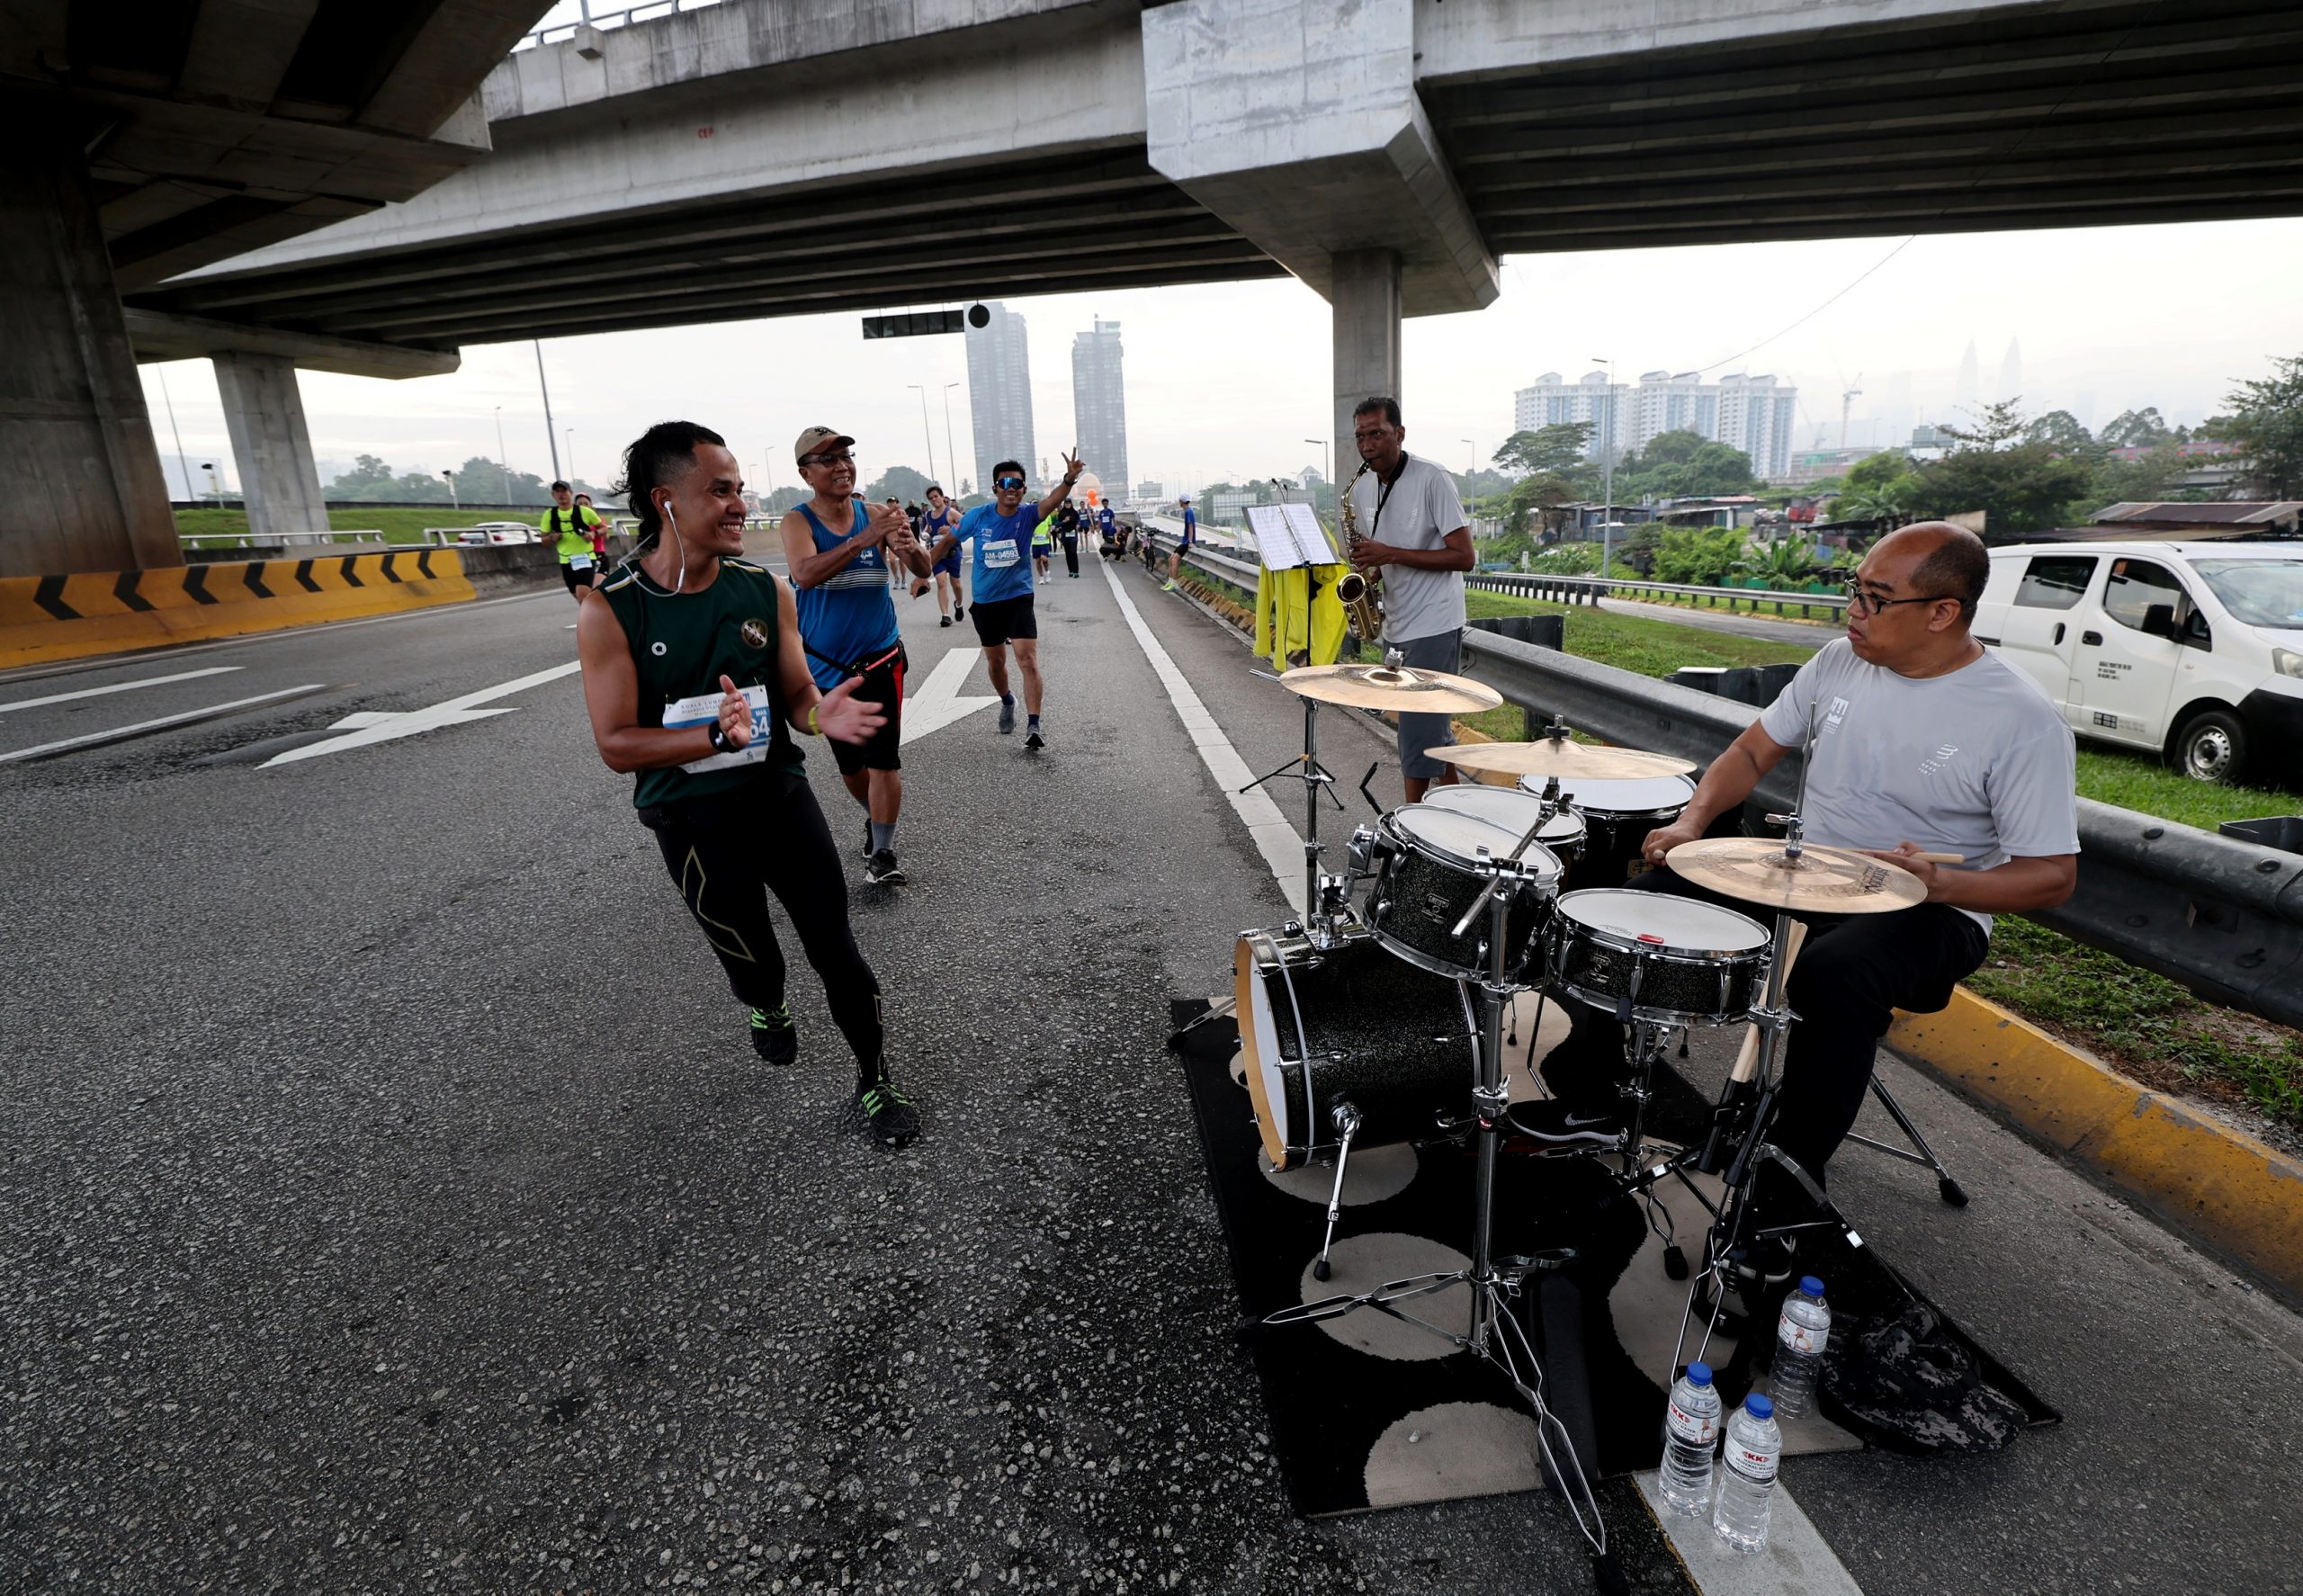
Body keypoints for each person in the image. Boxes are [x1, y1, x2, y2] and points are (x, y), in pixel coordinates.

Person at [1525, 523, 2078, 1259]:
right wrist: (1694, 821)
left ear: (1943, 612)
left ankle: (1789, 1183)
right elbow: (1754, 749)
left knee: (1835, 973)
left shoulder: (2019, 719)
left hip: (1932, 905)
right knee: (1635, 906)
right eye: (1856, 588)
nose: (1852, 609)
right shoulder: (1839, 663)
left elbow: (2052, 877)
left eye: (1875, 598)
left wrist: (1946, 879)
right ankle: (1594, 1098)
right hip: (1805, 869)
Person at [576, 421, 921, 1149]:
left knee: (837, 951)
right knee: (755, 961)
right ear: (666, 501)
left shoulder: (761, 591)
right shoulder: (612, 608)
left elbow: (796, 695)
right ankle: (765, 1003)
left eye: (740, 489)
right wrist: (710, 736)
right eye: (721, 491)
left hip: (778, 803)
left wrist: (819, 714)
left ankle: (875, 1078)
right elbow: (616, 744)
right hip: (692, 825)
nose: (739, 505)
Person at [780, 426, 930, 887]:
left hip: (881, 659)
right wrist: (868, 538)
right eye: (827, 460)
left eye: (845, 455)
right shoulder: (798, 522)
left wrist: (908, 546)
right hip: (825, 667)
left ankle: (883, 852)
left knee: (886, 761)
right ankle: (874, 818)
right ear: (806, 473)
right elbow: (804, 575)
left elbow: (924, 568)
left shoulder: (878, 514)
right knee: (851, 766)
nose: (841, 465)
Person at [1344, 397, 1474, 803]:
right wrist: (1372, 570)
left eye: (1377, 434)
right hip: (1397, 622)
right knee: (1431, 726)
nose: (1368, 444)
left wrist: (1390, 555)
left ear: (1399, 434)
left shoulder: (1432, 478)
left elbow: (1464, 557)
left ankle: (1411, 822)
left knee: (1417, 730)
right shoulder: (1362, 488)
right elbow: (1381, 553)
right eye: (1361, 436)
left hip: (1435, 621)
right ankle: (1457, 808)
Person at [928, 449, 1084, 753]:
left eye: (1017, 484)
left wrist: (1069, 479)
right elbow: (948, 541)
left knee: (1027, 659)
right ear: (995, 488)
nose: (1011, 488)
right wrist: (924, 574)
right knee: (996, 661)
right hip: (986, 602)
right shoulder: (978, 516)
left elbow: (1053, 500)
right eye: (1005, 483)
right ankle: (1006, 700)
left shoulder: (1028, 515)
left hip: (1018, 597)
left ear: (1024, 490)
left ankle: (1034, 724)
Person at [541, 480, 610, 600]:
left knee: (582, 594)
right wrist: (552, 537)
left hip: (586, 557)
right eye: (557, 492)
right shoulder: (549, 515)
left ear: (570, 493)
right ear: (553, 495)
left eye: (564, 491)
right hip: (566, 560)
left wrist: (594, 533)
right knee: (579, 597)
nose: (561, 494)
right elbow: (544, 540)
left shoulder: (585, 512)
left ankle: (589, 619)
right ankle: (595, 615)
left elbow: (604, 529)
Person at [912, 484, 964, 624]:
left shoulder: (951, 513)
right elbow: (926, 530)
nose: (934, 500)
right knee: (941, 583)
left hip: (953, 553)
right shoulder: (928, 515)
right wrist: (925, 534)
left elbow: (966, 525)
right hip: (937, 555)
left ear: (942, 497)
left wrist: (951, 528)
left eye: (936, 496)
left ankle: (958, 604)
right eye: (931, 498)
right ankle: (945, 616)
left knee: (957, 585)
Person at [1162, 496, 1196, 590]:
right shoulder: (1187, 511)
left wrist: (1190, 541)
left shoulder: (1189, 511)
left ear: (1182, 501)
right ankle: (1170, 581)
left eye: (1179, 501)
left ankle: (1174, 584)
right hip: (1185, 541)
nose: (1179, 502)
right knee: (1171, 559)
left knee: (1174, 560)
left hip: (1187, 542)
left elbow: (1190, 527)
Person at [1054, 498, 1083, 578]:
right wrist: (1064, 521)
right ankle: (1071, 570)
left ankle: (1076, 571)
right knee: (1068, 553)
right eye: (1066, 503)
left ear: (1071, 504)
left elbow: (1078, 520)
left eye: (1069, 503)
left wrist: (1078, 524)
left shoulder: (1074, 512)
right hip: (1065, 535)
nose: (1068, 504)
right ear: (1064, 504)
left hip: (1073, 534)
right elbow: (1057, 524)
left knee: (1073, 552)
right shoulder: (1061, 513)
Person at [1032, 502, 1054, 580]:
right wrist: (1031, 531)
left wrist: (1049, 531)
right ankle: (1041, 577)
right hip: (1035, 542)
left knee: (1044, 558)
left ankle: (1047, 572)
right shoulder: (1031, 517)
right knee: (1038, 561)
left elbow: (1050, 526)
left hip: (1044, 541)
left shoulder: (1047, 515)